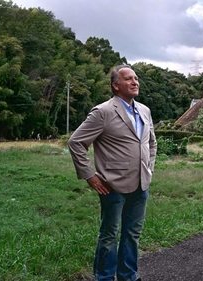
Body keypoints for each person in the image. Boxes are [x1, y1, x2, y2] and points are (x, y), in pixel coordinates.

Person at [68, 64, 157, 281]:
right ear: (116, 86)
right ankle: (104, 277)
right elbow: (76, 142)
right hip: (112, 186)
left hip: (141, 185)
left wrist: (149, 169)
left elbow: (152, 144)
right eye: (128, 79)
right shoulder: (104, 112)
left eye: (136, 78)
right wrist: (89, 175)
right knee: (109, 236)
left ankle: (129, 276)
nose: (135, 82)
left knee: (132, 235)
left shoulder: (145, 110)